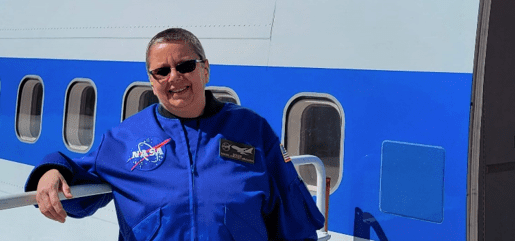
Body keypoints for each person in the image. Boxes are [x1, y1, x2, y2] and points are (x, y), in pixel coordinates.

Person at [24, 28, 325, 240]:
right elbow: (78, 185)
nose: (174, 77)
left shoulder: (252, 129)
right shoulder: (123, 140)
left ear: (205, 70)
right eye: (162, 71)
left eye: (185, 65)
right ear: (152, 80)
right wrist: (51, 170)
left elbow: (293, 218)